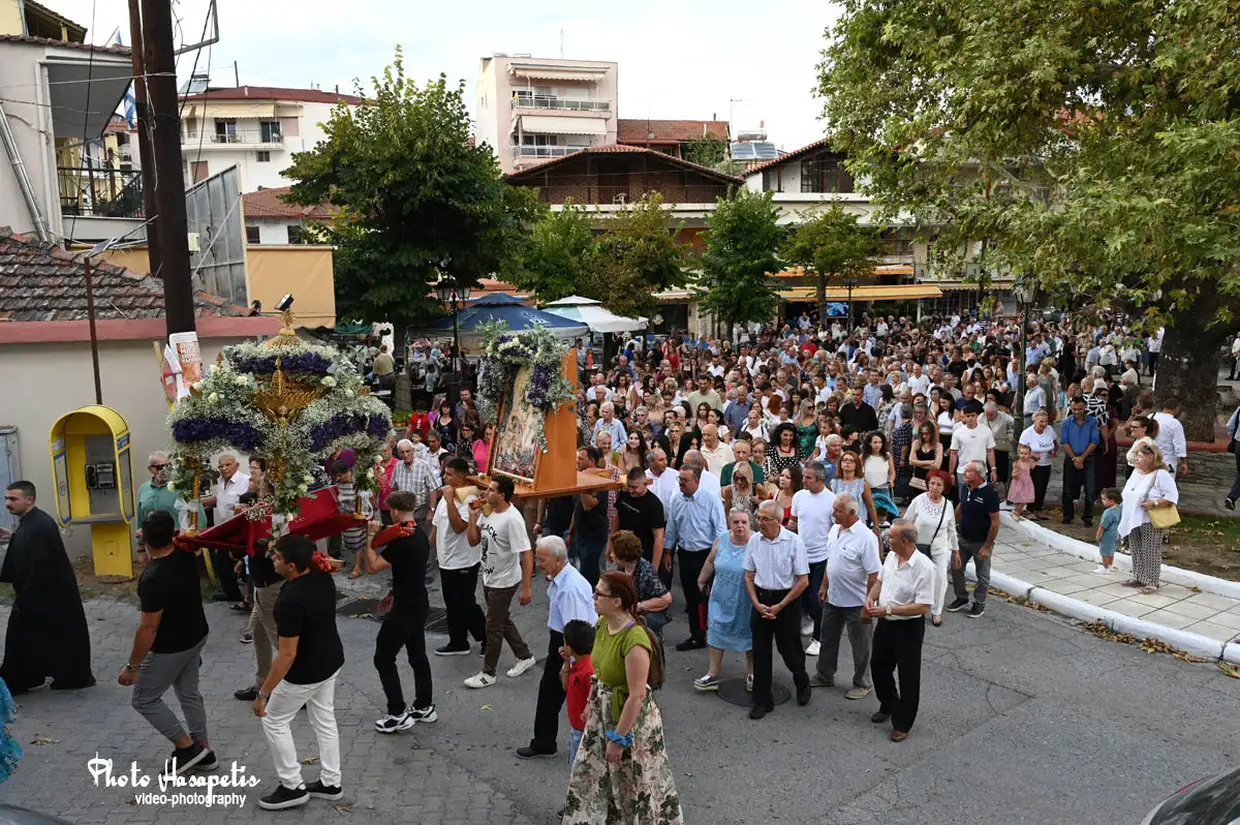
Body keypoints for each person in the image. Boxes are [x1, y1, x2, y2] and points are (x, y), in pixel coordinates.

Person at [563, 571, 682, 824]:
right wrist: (590, 702)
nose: (593, 597)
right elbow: (599, 671)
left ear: (617, 601)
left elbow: (637, 695)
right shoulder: (602, 624)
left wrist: (618, 739)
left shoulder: (634, 639)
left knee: (632, 783)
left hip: (628, 722)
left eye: (599, 593)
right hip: (601, 714)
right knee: (591, 776)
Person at [254, 535, 346, 810]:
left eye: (277, 557)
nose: (272, 559)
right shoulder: (321, 577)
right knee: (324, 719)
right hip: (330, 660)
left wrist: (263, 693)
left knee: (273, 720)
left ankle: (292, 786)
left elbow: (287, 654)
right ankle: (331, 782)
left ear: (291, 565)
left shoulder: (291, 600)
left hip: (305, 672)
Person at [120, 511, 214, 775]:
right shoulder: (185, 555)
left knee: (144, 699)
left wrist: (132, 666)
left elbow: (149, 627)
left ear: (144, 538)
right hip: (196, 635)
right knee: (189, 692)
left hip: (171, 647)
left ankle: (186, 747)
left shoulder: (153, 578)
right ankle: (205, 750)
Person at [0, 481, 95, 693]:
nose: (8, 504)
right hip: (46, 596)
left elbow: (37, 564)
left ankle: (19, 681)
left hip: (44, 595)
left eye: (13, 499)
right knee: (45, 637)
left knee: (25, 638)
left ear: (29, 499)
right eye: (6, 499)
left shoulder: (39, 525)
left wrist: (26, 599)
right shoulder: (33, 522)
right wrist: (13, 537)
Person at [362, 491, 436, 733]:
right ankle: (424, 705)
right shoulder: (420, 535)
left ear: (394, 511)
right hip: (418, 601)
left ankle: (397, 713)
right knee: (417, 655)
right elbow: (409, 571)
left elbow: (373, 567)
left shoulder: (401, 540)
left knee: (383, 657)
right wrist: (392, 592)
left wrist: (370, 537)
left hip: (405, 608)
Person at [518, 536, 597, 760]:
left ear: (559, 559)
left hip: (568, 646)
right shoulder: (563, 580)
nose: (538, 564)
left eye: (542, 560)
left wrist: (569, 662)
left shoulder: (569, 589)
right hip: (565, 643)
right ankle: (546, 741)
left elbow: (576, 629)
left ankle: (549, 743)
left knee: (556, 694)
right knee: (552, 694)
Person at [864, 520, 934, 742]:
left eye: (891, 536)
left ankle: (903, 723)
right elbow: (880, 582)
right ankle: (889, 704)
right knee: (878, 666)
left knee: (908, 675)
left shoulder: (924, 567)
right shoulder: (892, 557)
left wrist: (888, 609)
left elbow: (923, 606)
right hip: (886, 623)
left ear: (904, 540)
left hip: (908, 628)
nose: (887, 539)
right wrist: (871, 597)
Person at [464, 477, 536, 688]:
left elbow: (527, 553)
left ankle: (488, 673)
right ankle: (524, 656)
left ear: (502, 495)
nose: (485, 493)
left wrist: (526, 587)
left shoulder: (512, 520)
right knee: (502, 618)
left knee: (493, 626)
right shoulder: (488, 510)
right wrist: (472, 517)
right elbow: (473, 540)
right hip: (489, 575)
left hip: (504, 581)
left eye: (490, 490)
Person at [744, 500, 812, 720]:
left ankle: (801, 680)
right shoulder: (754, 541)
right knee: (760, 651)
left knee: (789, 649)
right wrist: (756, 603)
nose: (759, 522)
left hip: (787, 601)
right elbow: (749, 575)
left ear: (778, 520)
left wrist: (781, 606)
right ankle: (762, 700)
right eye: (758, 518)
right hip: (762, 599)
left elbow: (803, 581)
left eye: (764, 519)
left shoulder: (794, 542)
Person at [809, 493, 880, 700]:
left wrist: (869, 602)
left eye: (838, 511)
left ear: (852, 512)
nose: (834, 513)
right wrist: (824, 585)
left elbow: (874, 574)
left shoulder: (866, 538)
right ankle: (824, 675)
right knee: (828, 639)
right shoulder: (834, 530)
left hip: (857, 602)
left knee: (861, 645)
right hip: (833, 597)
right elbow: (831, 561)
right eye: (834, 509)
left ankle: (862, 683)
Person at [664, 464, 728, 652]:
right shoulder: (677, 499)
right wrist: (668, 552)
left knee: (707, 597)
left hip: (705, 555)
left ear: (697, 481)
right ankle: (696, 635)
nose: (681, 483)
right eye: (679, 479)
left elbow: (720, 530)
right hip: (685, 553)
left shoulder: (710, 499)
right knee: (690, 597)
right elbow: (672, 528)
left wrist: (716, 557)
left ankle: (714, 634)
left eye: (685, 480)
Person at [694, 510, 756, 692]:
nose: (740, 526)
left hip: (747, 598)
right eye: (735, 522)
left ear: (750, 523)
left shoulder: (757, 541)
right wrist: (701, 579)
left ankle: (752, 674)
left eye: (744, 522)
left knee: (750, 636)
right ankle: (712, 674)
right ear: (729, 523)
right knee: (716, 632)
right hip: (721, 596)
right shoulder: (721, 538)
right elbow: (710, 560)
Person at [1118, 443, 1180, 594]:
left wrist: (1154, 503)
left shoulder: (1161, 474)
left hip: (1150, 519)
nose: (1137, 459)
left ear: (1150, 458)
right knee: (1136, 548)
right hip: (1133, 518)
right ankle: (1139, 577)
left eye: (1140, 456)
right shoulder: (1136, 473)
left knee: (1150, 550)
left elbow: (1172, 497)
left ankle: (1152, 582)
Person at [789, 462, 836, 655]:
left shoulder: (832, 500)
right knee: (799, 596)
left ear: (820, 479)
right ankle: (808, 621)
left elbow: (836, 530)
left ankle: (819, 638)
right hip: (801, 556)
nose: (803, 480)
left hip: (822, 557)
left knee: (815, 598)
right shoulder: (799, 496)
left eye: (808, 477)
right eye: (803, 476)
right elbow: (794, 523)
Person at [902, 471, 958, 627]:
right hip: (917, 547)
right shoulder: (919, 501)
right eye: (932, 483)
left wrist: (956, 551)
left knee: (940, 578)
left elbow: (952, 530)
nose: (934, 487)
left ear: (945, 488)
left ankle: (936, 611)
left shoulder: (948, 506)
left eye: (939, 485)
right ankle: (912, 607)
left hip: (939, 548)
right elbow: (906, 522)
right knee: (913, 577)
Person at [946, 462, 1001, 619]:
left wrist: (987, 546)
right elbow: (961, 506)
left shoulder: (990, 494)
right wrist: (950, 525)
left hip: (980, 543)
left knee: (982, 576)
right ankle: (961, 597)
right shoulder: (965, 488)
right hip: (962, 538)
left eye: (969, 471)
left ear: (979, 475)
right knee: (955, 568)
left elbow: (995, 522)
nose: (964, 473)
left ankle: (979, 603)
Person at [202, 454, 249, 604]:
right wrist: (201, 502)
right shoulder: (221, 481)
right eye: (221, 466)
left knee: (234, 562)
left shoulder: (245, 481)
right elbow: (220, 499)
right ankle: (232, 593)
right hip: (224, 527)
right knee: (222, 563)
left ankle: (240, 596)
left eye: (228, 465)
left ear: (237, 465)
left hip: (239, 529)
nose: (224, 468)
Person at [607, 530, 672, 638]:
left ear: (623, 555)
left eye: (614, 552)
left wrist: (639, 606)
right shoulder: (623, 567)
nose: (611, 554)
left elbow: (666, 598)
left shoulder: (645, 571)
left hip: (645, 627)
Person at [559, 619, 595, 775]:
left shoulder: (588, 671)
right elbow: (565, 686)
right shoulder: (577, 665)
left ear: (570, 647)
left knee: (576, 773)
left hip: (583, 731)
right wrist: (567, 662)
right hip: (576, 728)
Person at [613, 467, 666, 568]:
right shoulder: (624, 493)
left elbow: (659, 538)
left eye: (634, 487)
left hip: (643, 556)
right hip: (623, 554)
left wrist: (654, 567)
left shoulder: (654, 505)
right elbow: (618, 517)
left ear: (645, 484)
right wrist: (611, 545)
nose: (631, 491)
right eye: (629, 486)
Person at [1061, 396, 1101, 526]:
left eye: (1079, 409)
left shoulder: (1092, 422)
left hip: (1088, 458)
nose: (1077, 412)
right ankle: (1067, 516)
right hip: (1071, 457)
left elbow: (1095, 441)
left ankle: (1088, 517)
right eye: (1074, 409)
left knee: (1090, 490)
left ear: (1084, 408)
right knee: (1067, 489)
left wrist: (1082, 458)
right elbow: (1064, 442)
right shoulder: (1067, 422)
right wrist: (1074, 458)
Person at [135, 452, 179, 555]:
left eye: (168, 466)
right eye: (160, 467)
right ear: (151, 469)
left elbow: (197, 516)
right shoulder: (143, 489)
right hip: (153, 549)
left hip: (177, 546)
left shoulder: (180, 487)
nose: (165, 470)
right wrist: (141, 549)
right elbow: (140, 519)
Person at [1017, 410, 1058, 518]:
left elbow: (1055, 444)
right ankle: (1030, 509)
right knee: (1035, 487)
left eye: (1046, 421)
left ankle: (1038, 509)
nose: (1044, 424)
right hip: (1032, 465)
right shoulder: (1027, 433)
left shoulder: (1050, 430)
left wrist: (1053, 451)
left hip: (1046, 463)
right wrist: (1031, 455)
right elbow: (1020, 449)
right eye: (1041, 422)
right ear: (1035, 420)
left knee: (1043, 487)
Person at [1152, 398, 1189, 477]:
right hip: (1166, 461)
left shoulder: (1151, 416)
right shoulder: (1174, 423)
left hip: (1149, 458)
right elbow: (1179, 444)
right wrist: (1184, 462)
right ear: (1177, 408)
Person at [1095, 488, 1122, 575]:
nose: (1102, 501)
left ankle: (1105, 568)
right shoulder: (1120, 508)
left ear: (1112, 500)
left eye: (1104, 499)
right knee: (1111, 551)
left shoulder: (1108, 512)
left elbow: (1102, 526)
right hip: (1116, 533)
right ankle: (1110, 565)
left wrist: (1098, 534)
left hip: (1107, 534)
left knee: (1105, 552)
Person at [1007, 443, 1036, 521]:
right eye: (1021, 453)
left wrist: (1037, 459)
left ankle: (1016, 512)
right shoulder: (1017, 463)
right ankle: (1016, 513)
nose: (1023, 455)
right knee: (1021, 500)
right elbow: (1013, 475)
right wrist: (1017, 473)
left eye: (1025, 454)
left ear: (1029, 454)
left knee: (1024, 500)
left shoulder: (1029, 462)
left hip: (1027, 483)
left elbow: (1033, 467)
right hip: (1019, 483)